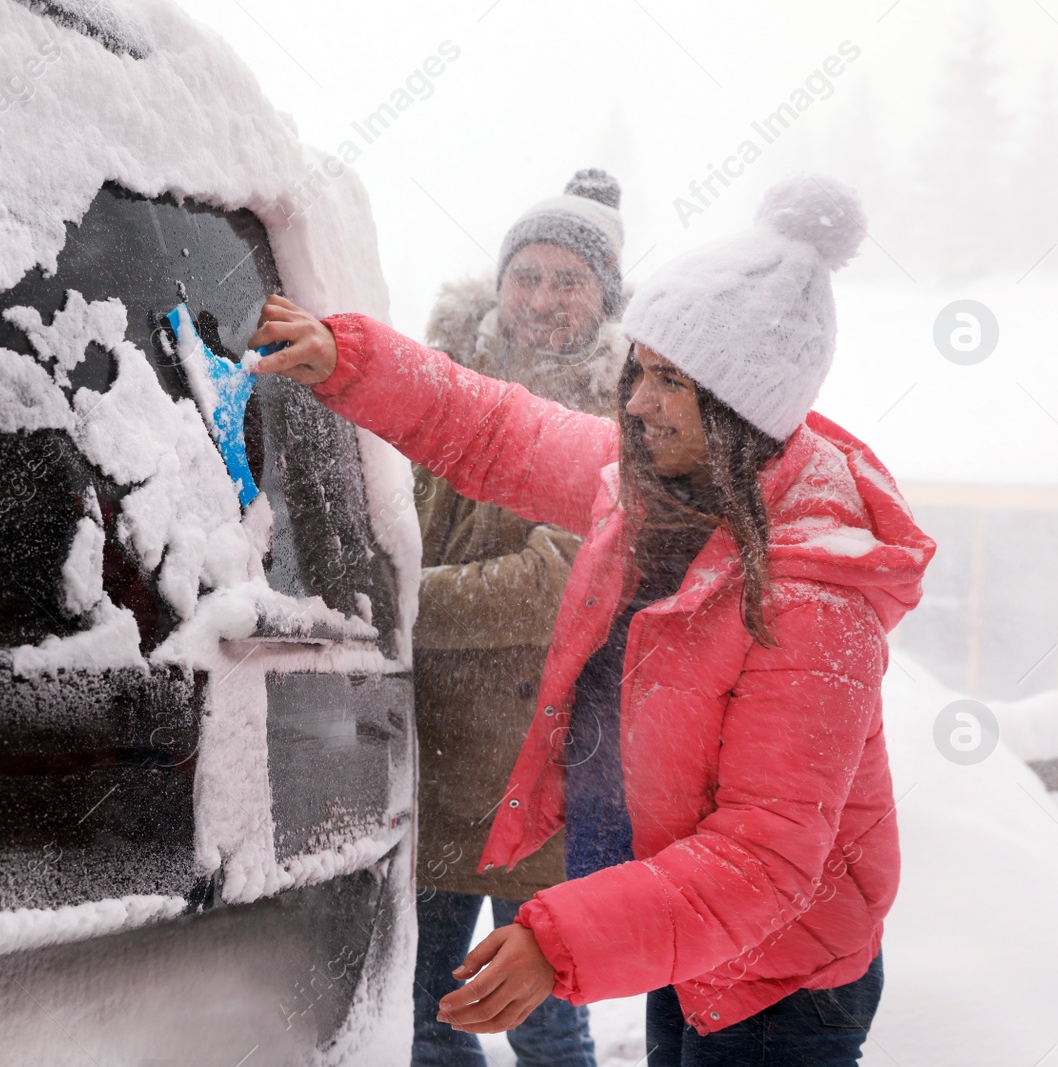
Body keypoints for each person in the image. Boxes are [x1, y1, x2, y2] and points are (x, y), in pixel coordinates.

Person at [249, 174, 935, 1066]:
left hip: (786, 980)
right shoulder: (660, 487)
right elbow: (492, 429)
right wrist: (350, 359)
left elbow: (763, 859)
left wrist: (563, 940)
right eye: (638, 370)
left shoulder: (813, 599)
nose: (635, 402)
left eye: (668, 380)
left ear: (740, 407)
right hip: (692, 939)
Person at [412, 169, 626, 1067]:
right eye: (526, 275)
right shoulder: (441, 382)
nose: (542, 298)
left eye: (568, 280)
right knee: (430, 1017)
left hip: (541, 765)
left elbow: (555, 581)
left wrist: (398, 605)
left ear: (605, 298)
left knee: (542, 1023)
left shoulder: (620, 415)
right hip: (425, 751)